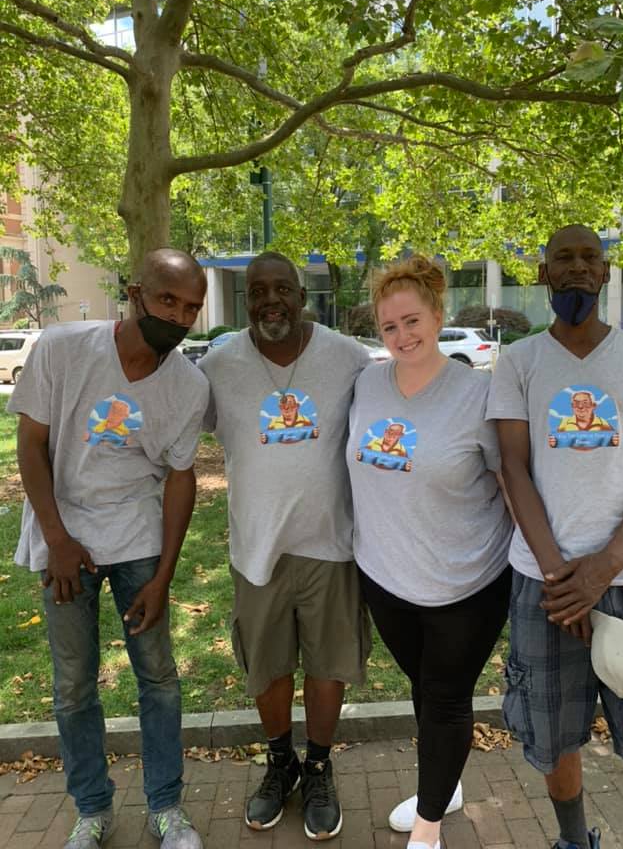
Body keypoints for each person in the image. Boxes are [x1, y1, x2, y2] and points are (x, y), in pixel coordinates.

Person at [486, 224, 623, 849]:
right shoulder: (519, 361)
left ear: (606, 274)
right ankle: (573, 839)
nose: (578, 268)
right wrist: (562, 576)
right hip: (546, 583)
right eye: (564, 258)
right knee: (554, 735)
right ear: (544, 273)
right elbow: (513, 465)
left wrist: (607, 564)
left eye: (590, 258)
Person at [8, 249, 210, 849]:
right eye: (169, 300)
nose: (179, 318)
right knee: (73, 683)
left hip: (137, 539)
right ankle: (92, 811)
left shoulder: (187, 383)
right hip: (62, 538)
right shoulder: (63, 348)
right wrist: (57, 538)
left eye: (192, 308)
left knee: (159, 677)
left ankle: (167, 809)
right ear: (135, 292)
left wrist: (163, 578)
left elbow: (180, 478)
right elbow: (31, 445)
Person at [198, 250, 370, 841]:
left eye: (283, 289)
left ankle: (319, 766)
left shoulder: (347, 357)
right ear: (247, 300)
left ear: (302, 294)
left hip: (330, 545)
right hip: (257, 548)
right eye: (259, 292)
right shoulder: (219, 366)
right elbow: (168, 423)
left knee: (328, 667)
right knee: (267, 668)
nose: (272, 300)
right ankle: (281, 763)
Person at [347, 256, 513, 849]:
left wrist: (543, 569)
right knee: (424, 689)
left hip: (466, 583)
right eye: (388, 327)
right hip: (386, 578)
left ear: (438, 315)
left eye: (412, 321)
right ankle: (447, 784)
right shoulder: (367, 382)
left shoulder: (477, 395)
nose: (402, 336)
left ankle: (428, 828)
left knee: (445, 698)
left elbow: (510, 485)